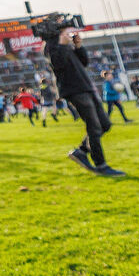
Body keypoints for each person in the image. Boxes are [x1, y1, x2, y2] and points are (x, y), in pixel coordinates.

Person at [44, 28, 125, 176]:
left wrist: (78, 46)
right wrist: (62, 44)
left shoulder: (66, 46)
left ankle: (81, 151)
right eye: (64, 33)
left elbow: (84, 62)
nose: (68, 35)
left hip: (86, 87)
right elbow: (58, 64)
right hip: (74, 90)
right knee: (94, 127)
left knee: (105, 124)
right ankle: (101, 165)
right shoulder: (52, 47)